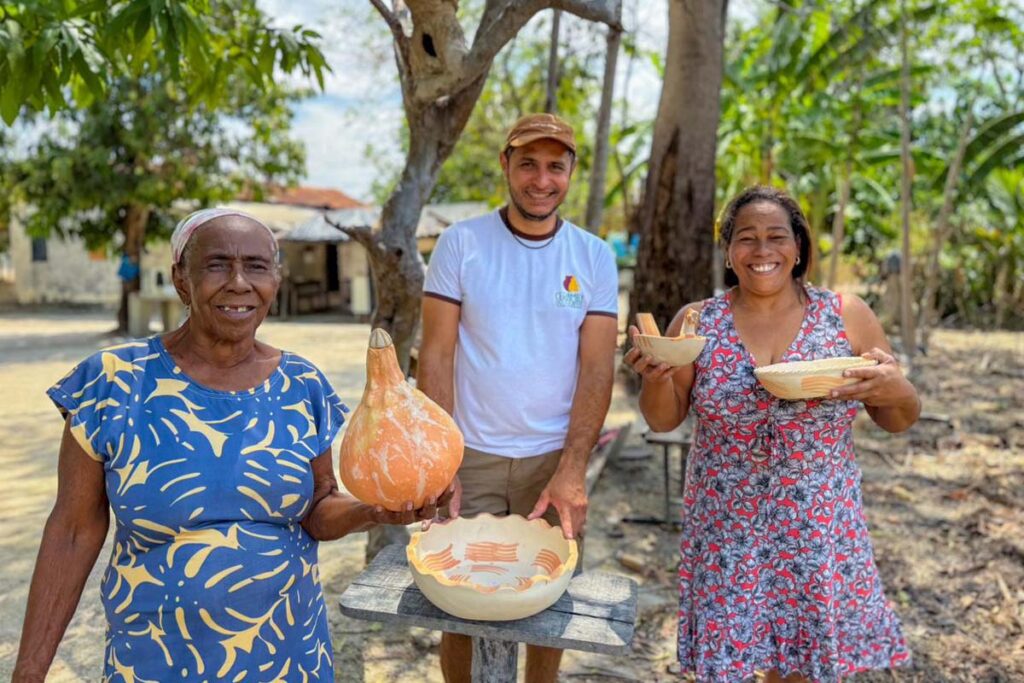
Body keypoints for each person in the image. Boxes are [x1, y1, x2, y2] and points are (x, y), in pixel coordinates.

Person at [13, 208, 450, 682]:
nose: (239, 282)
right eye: (217, 264)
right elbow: (72, 532)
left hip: (287, 657)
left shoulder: (301, 384)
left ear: (275, 280)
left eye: (256, 266)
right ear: (181, 280)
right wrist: (30, 670)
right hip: (155, 660)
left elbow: (317, 509)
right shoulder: (114, 382)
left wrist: (375, 511)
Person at [624, 185, 920, 683]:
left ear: (798, 247)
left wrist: (898, 387)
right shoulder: (698, 321)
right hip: (727, 525)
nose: (762, 250)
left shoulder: (845, 314)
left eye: (777, 236)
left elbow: (897, 418)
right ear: (728, 251)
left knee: (802, 665)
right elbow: (663, 420)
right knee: (731, 662)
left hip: (817, 525)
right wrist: (655, 378)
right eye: (746, 237)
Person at [417, 113, 619, 683]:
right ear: (505, 164)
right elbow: (436, 355)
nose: (541, 180)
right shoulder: (461, 244)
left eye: (556, 166)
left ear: (571, 172)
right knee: (457, 602)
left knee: (549, 600)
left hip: (553, 461)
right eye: (528, 163)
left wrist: (573, 469)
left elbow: (597, 368)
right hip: (470, 456)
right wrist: (442, 462)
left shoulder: (593, 256)